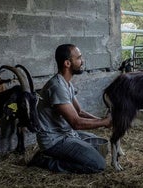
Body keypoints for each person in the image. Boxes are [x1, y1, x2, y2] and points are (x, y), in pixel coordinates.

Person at [28, 44, 112, 174]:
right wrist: (105, 122)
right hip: (54, 140)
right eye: (79, 58)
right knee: (98, 164)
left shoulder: (66, 83)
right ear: (67, 63)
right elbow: (76, 123)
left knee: (99, 145)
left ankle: (65, 154)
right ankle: (45, 161)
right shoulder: (57, 87)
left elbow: (79, 112)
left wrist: (103, 121)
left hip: (67, 134)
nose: (82, 61)